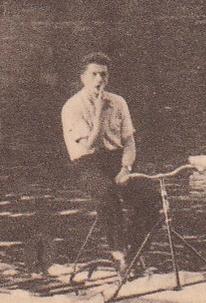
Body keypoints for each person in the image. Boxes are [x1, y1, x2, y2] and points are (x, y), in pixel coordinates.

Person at [59, 53, 153, 268]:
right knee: (107, 193)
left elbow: (129, 141)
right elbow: (90, 144)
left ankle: (134, 254)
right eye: (94, 74)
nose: (99, 80)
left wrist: (126, 168)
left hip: (116, 162)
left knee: (150, 197)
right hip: (86, 164)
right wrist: (100, 113)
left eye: (104, 74)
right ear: (83, 78)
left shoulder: (119, 102)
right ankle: (118, 252)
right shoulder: (72, 106)